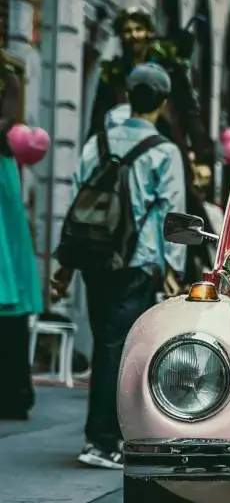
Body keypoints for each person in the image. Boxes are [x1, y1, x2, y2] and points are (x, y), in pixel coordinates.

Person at [51, 64, 186, 468]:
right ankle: (103, 440)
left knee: (105, 341)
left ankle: (104, 436)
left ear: (128, 95)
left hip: (94, 258)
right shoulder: (164, 152)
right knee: (118, 346)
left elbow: (77, 202)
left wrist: (65, 263)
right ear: (162, 103)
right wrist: (172, 267)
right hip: (136, 260)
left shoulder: (97, 142)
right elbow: (171, 214)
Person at [87, 7, 214, 286]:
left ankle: (184, 274)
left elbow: (190, 114)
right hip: (123, 156)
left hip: (166, 148)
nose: (133, 35)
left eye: (138, 29)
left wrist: (203, 157)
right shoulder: (114, 73)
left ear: (148, 31)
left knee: (183, 211)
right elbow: (98, 118)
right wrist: (96, 152)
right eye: (127, 30)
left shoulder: (169, 67)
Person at [0, 44, 42, 420]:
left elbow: (7, 123)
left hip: (1, 170)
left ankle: (14, 391)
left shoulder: (8, 76)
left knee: (7, 266)